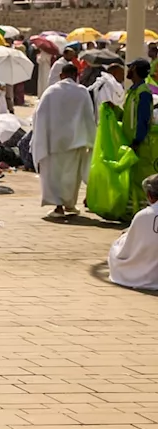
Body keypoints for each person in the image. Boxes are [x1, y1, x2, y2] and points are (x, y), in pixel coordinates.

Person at [32, 64, 96, 218]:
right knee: (71, 176)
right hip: (75, 141)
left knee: (53, 175)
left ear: (61, 75)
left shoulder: (50, 92)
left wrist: (40, 138)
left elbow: (38, 116)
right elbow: (89, 116)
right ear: (76, 75)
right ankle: (69, 204)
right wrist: (90, 139)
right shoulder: (82, 92)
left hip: (52, 141)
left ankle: (59, 206)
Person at [107, 173, 158, 290]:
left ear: (150, 195)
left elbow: (129, 246)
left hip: (145, 269)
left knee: (118, 245)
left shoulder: (143, 215)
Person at [122, 59, 158, 219]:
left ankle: (143, 215)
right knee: (133, 179)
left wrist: (137, 140)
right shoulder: (133, 91)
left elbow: (143, 119)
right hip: (132, 143)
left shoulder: (143, 93)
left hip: (140, 144)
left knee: (141, 180)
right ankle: (133, 213)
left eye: (130, 68)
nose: (128, 70)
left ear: (135, 69)